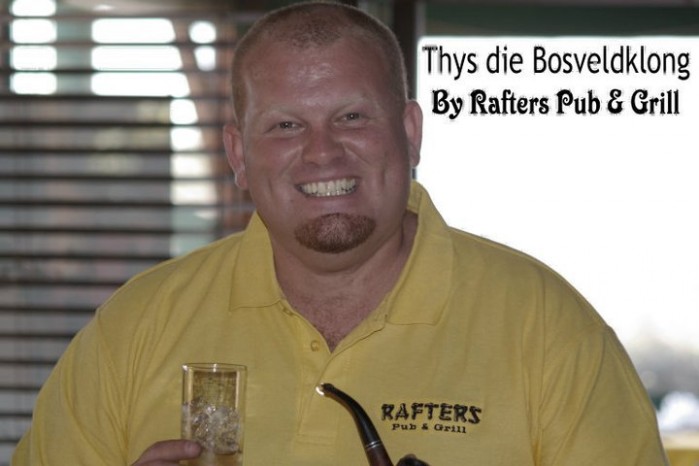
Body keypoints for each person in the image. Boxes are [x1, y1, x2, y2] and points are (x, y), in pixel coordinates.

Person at [13, 2, 669, 465]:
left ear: (410, 133)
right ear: (237, 154)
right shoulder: (136, 327)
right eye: (285, 126)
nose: (322, 153)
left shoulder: (547, 329)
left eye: (352, 117)